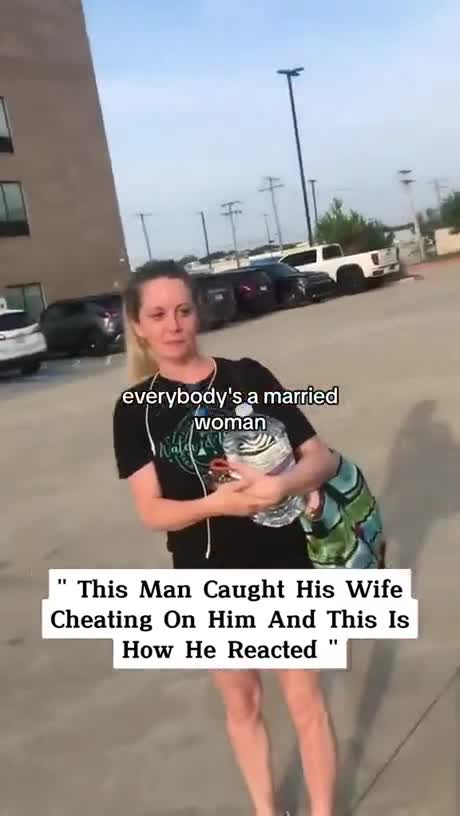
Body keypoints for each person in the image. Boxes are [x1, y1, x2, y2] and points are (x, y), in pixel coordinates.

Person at [112, 260, 339, 816]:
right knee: (243, 704)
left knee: (305, 702)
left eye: (182, 310)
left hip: (284, 561)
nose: (173, 325)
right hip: (206, 574)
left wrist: (282, 484)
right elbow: (152, 511)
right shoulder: (134, 412)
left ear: (198, 312)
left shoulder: (249, 376)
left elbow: (322, 458)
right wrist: (219, 504)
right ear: (138, 326)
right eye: (157, 315)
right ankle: (267, 810)